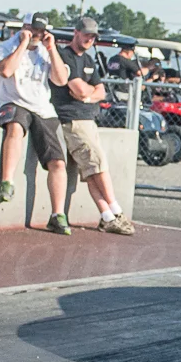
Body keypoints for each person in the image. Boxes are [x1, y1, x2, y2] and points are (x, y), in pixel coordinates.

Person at [0, 13, 73, 235]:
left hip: (42, 108)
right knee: (15, 127)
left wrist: (52, 49)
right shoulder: (7, 46)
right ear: (25, 27)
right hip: (13, 101)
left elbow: (61, 80)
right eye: (34, 29)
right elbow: (5, 71)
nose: (37, 34)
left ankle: (57, 214)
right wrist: (23, 44)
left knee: (58, 161)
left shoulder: (47, 50)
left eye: (41, 31)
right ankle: (6, 182)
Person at [51, 17, 135, 235]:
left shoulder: (89, 59)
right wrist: (87, 93)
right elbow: (77, 88)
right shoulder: (64, 56)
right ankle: (116, 210)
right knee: (98, 164)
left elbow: (101, 91)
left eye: (93, 36)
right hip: (72, 120)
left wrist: (88, 96)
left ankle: (106, 216)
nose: (90, 39)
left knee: (91, 171)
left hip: (89, 119)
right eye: (86, 34)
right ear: (76, 32)